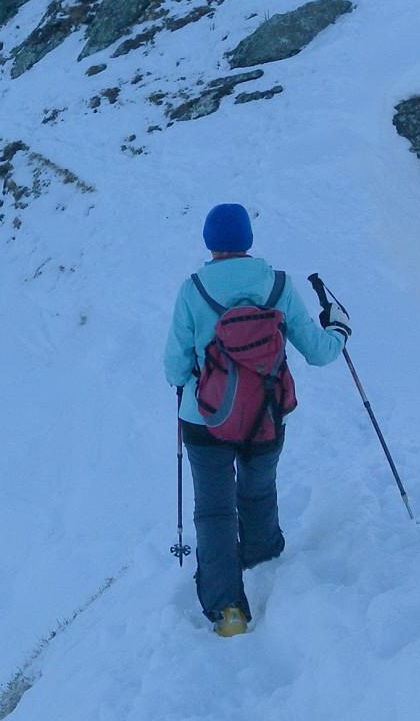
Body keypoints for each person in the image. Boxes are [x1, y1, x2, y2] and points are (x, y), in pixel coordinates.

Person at [163, 202, 349, 636]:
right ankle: (264, 560)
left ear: (209, 243)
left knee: (214, 511)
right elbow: (319, 352)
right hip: (265, 414)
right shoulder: (278, 285)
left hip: (204, 419)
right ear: (248, 239)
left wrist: (195, 376)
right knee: (258, 489)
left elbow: (174, 367)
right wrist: (339, 329)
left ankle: (228, 610)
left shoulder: (193, 290)